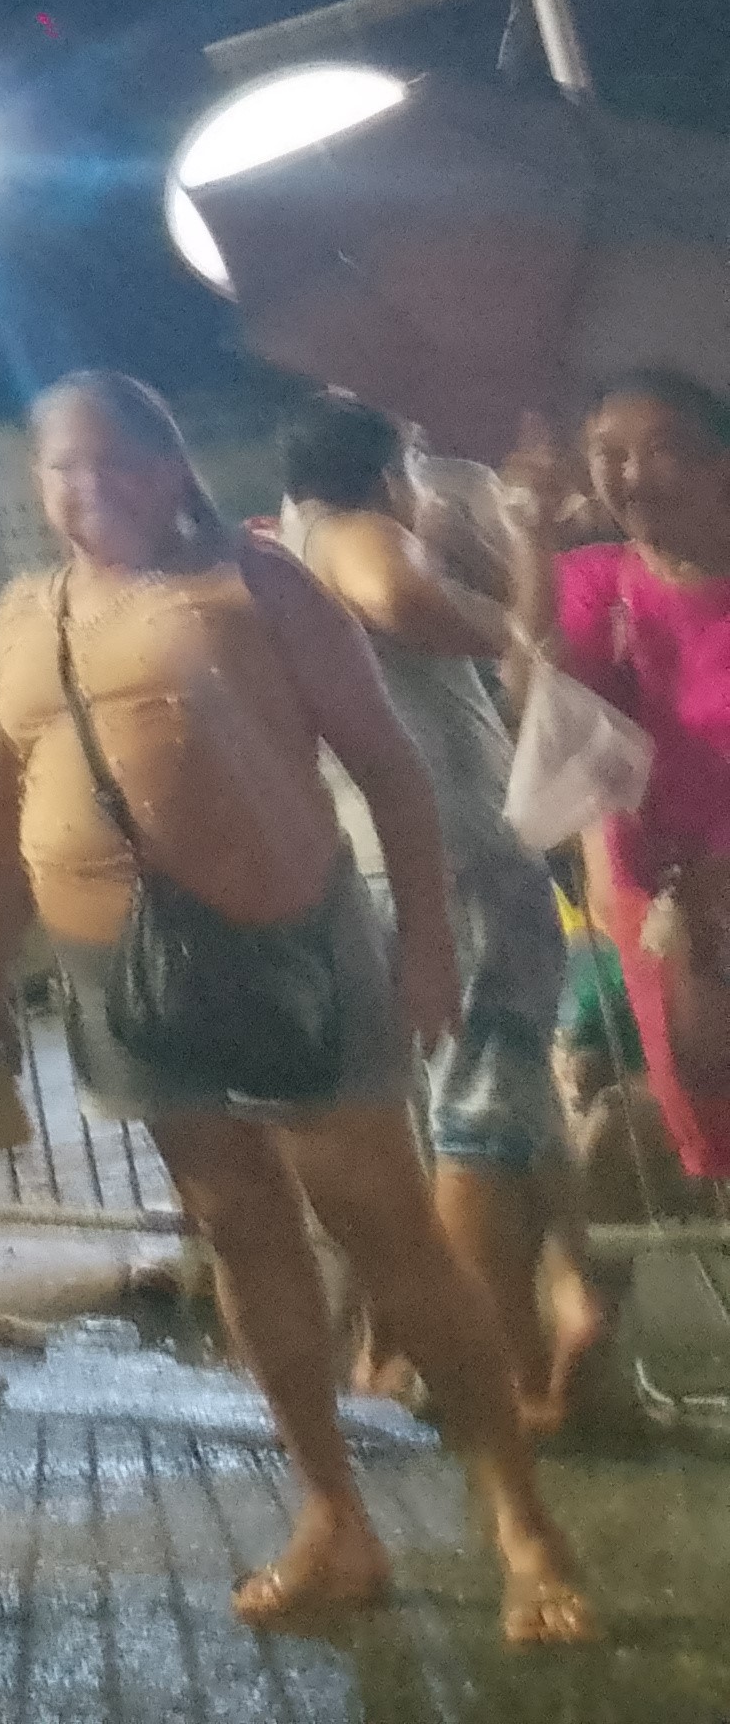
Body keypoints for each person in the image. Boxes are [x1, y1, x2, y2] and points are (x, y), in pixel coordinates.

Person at [0, 372, 587, 1642]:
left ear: (174, 468)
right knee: (240, 1234)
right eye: (66, 468)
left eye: (121, 462)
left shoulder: (260, 584)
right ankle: (333, 1519)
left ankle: (522, 1523)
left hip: (291, 956)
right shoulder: (25, 615)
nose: (93, 491)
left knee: (393, 1240)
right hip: (121, 984)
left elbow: (394, 775)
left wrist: (424, 958)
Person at [277, 397, 614, 1427]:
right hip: (458, 856)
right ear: (384, 477)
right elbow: (407, 598)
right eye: (415, 470)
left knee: (497, 1095)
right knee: (481, 1105)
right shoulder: (359, 537)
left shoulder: (289, 547)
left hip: (395, 858)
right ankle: (494, 1373)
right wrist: (510, 586)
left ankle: (572, 1294)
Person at [553, 371, 730, 1193]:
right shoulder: (595, 582)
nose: (628, 476)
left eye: (661, 452)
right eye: (605, 455)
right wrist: (523, 547)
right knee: (708, 1123)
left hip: (713, 886)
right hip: (658, 903)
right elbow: (552, 712)